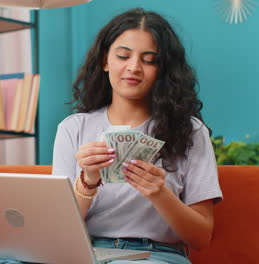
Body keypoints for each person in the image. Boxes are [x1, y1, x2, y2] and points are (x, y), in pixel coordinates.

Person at [52, 8, 223, 264]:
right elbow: (59, 232)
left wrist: (159, 193)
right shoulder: (73, 128)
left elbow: (200, 238)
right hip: (86, 253)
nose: (134, 68)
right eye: (123, 56)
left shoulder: (190, 131)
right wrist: (87, 181)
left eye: (149, 60)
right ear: (105, 61)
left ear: (162, 69)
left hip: (157, 254)